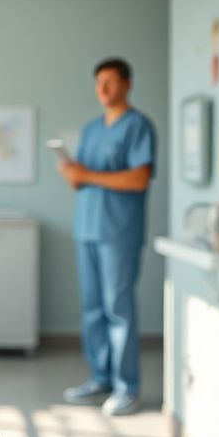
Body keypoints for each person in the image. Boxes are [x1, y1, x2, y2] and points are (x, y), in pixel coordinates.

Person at [58, 58, 157, 416]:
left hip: (119, 231)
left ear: (127, 84)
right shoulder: (92, 129)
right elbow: (78, 181)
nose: (103, 89)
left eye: (110, 82)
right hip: (87, 228)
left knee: (118, 308)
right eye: (99, 82)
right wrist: (71, 171)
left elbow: (138, 179)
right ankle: (100, 378)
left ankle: (127, 387)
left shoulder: (138, 126)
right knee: (93, 308)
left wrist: (87, 173)